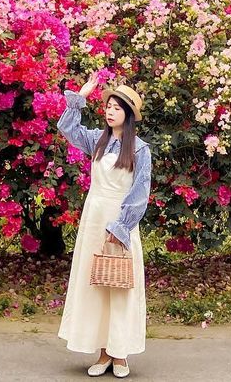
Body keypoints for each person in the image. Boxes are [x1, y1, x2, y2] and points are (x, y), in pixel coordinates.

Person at [56, 71, 152, 378]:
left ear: (128, 115)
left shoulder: (139, 149)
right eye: (108, 106)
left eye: (116, 108)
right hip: (94, 218)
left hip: (119, 221)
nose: (110, 111)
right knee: (96, 285)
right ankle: (101, 352)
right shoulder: (97, 142)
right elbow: (67, 127)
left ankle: (119, 354)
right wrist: (81, 95)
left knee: (119, 287)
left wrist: (120, 228)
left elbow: (139, 194)